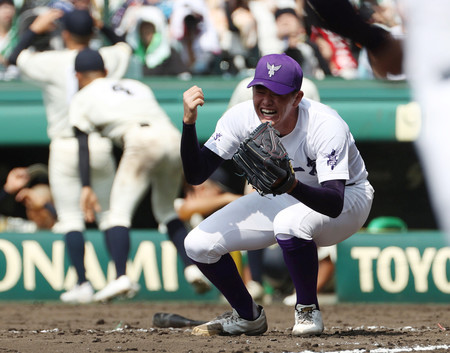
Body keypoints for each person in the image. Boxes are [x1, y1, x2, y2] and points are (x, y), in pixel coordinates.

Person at [181, 53, 374, 336]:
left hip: (349, 201)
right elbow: (197, 174)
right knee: (198, 244)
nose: (267, 100)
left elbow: (333, 203)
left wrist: (290, 186)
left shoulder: (324, 124)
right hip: (286, 195)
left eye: (278, 93)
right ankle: (247, 316)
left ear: (297, 98)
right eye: (260, 90)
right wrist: (188, 124)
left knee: (289, 222)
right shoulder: (241, 117)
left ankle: (307, 310)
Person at [6, 8, 132, 304]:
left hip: (64, 145)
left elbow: (13, 57)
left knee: (71, 218)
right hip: (99, 143)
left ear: (64, 34)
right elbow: (126, 46)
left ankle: (83, 282)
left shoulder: (51, 61)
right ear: (91, 33)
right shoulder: (105, 58)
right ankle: (120, 277)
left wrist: (35, 29)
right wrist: (103, 28)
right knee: (109, 215)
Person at [69, 48, 210, 301]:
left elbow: (82, 144)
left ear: (78, 76)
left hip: (141, 139)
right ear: (106, 71)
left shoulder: (82, 95)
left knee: (118, 213)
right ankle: (191, 268)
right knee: (166, 211)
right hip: (172, 138)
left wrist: (86, 186)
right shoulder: (135, 85)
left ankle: (121, 276)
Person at [0, 164, 57, 231]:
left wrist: (44, 204)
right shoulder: (26, 228)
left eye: (39, 209)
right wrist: (7, 189)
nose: (35, 215)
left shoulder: (64, 226)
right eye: (30, 208)